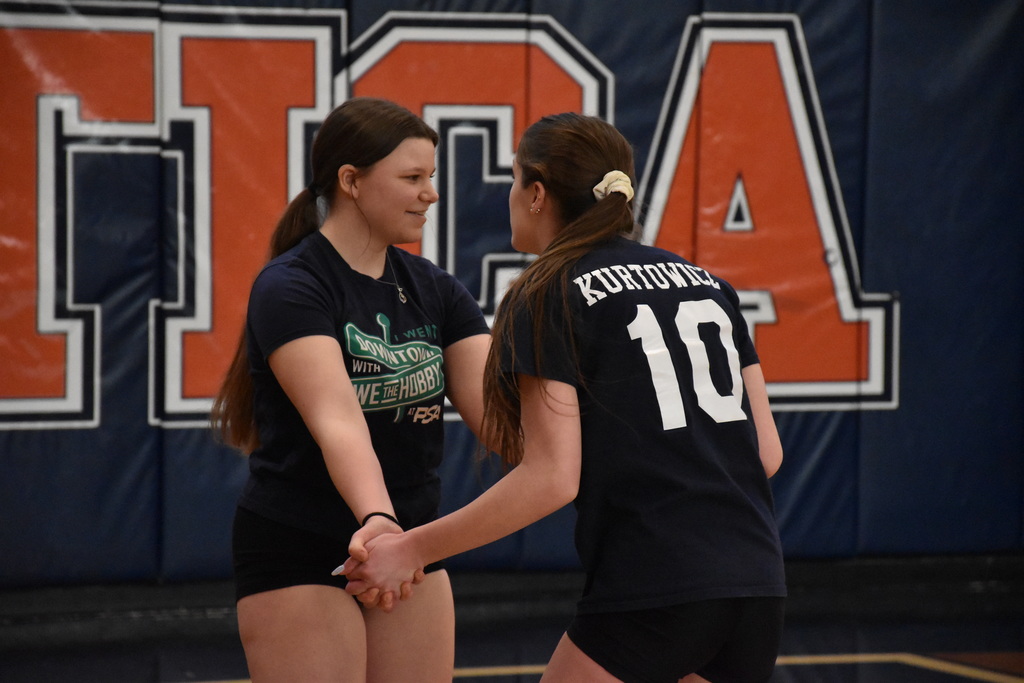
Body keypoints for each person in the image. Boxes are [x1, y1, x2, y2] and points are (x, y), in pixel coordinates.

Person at [339, 112, 787, 683]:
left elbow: (551, 478)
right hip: (758, 583)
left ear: (537, 194)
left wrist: (411, 549)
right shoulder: (709, 284)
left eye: (513, 179)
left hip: (654, 587)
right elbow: (764, 454)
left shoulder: (551, 289)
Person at [210, 97, 490, 682]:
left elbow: (501, 421)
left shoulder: (437, 290)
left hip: (409, 544)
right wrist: (377, 519)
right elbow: (337, 420)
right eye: (412, 178)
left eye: (431, 177)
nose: (430, 193)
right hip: (303, 545)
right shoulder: (292, 285)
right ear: (351, 181)